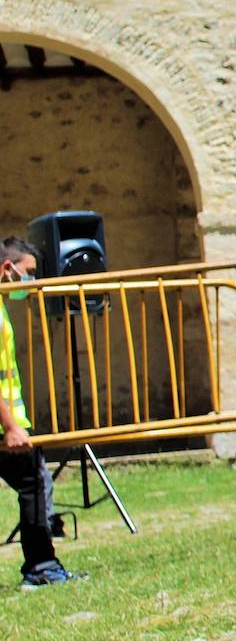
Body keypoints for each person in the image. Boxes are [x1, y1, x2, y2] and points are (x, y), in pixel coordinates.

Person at [0, 237, 83, 587]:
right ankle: (41, 568)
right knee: (35, 481)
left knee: (35, 481)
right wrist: (11, 427)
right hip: (5, 423)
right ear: (8, 268)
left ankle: (42, 566)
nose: (31, 281)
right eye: (28, 272)